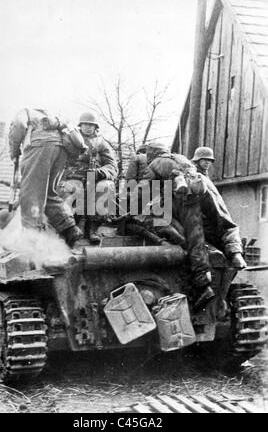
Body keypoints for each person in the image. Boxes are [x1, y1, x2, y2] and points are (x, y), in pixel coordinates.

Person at [138, 142, 246, 311]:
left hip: (177, 202)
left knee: (179, 234)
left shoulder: (153, 165)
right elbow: (222, 216)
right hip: (198, 198)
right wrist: (233, 247)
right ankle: (234, 253)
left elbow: (142, 192)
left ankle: (202, 282)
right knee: (211, 230)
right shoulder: (192, 169)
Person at [8, 108, 88, 248]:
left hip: (40, 146)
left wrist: (14, 151)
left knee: (30, 194)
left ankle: (30, 240)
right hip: (61, 149)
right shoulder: (50, 115)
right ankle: (69, 229)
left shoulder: (24, 111)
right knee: (49, 193)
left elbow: (19, 126)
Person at [61, 112, 118, 244]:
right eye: (85, 124)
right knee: (70, 190)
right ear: (80, 125)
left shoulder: (101, 143)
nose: (88, 127)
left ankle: (93, 227)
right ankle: (68, 228)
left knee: (105, 187)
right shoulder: (70, 139)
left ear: (95, 127)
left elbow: (112, 165)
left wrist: (99, 172)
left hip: (94, 178)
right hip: (73, 177)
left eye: (91, 125)